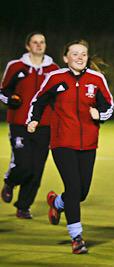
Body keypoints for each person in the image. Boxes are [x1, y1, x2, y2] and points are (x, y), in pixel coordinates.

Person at [31, 40, 114, 254]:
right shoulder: (55, 78)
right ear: (65, 58)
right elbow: (38, 101)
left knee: (81, 193)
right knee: (74, 187)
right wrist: (33, 120)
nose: (79, 57)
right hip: (62, 142)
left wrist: (100, 115)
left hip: (88, 143)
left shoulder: (96, 79)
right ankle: (76, 237)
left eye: (83, 54)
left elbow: (109, 105)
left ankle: (58, 203)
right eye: (75, 54)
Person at [0, 32, 59, 219]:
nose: (39, 45)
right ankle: (10, 181)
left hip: (44, 125)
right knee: (24, 164)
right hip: (20, 123)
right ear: (28, 46)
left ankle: (23, 206)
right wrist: (10, 99)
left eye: (42, 42)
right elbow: (3, 91)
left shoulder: (54, 69)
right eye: (35, 42)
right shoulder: (16, 66)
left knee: (36, 168)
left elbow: (59, 97)